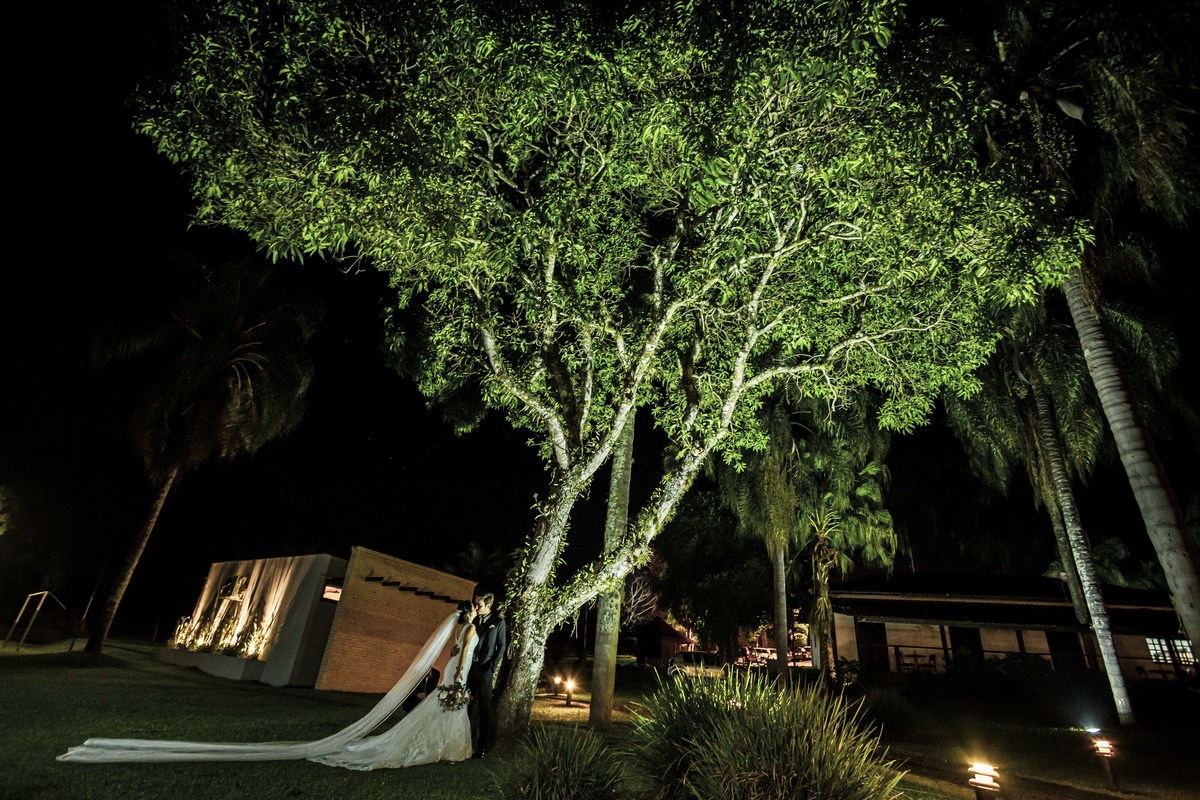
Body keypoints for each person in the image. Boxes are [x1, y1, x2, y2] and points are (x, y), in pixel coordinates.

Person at [58, 601, 479, 769]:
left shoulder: (463, 631)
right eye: (476, 606)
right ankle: (441, 751)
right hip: (455, 685)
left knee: (433, 723)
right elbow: (461, 661)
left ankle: (442, 749)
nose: (476, 610)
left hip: (454, 685)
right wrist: (459, 683)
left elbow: (458, 656)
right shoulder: (468, 633)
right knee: (434, 724)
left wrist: (458, 679)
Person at [467, 592, 506, 758]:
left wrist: (492, 666)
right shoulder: (474, 620)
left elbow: (502, 646)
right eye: (476, 604)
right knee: (467, 704)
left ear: (488, 606)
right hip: (471, 669)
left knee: (484, 708)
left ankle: (482, 746)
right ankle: (466, 740)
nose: (476, 607)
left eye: (480, 605)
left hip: (485, 670)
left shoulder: (498, 622)